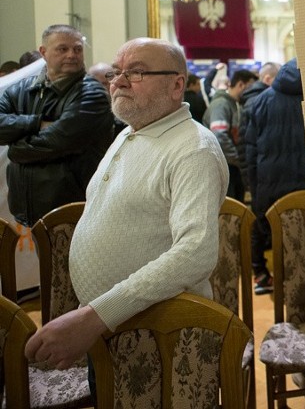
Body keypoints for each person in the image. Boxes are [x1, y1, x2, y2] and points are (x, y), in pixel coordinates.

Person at [24, 37, 228, 382]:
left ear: (177, 84)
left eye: (136, 73)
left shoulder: (193, 149)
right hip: (112, 326)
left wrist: (95, 316)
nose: (118, 81)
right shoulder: (129, 134)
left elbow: (196, 252)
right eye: (116, 73)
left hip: (156, 334)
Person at [0, 25, 113, 227]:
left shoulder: (92, 93)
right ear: (43, 52)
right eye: (63, 49)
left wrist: (14, 148)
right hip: (26, 210)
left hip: (74, 211)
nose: (72, 55)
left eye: (77, 49)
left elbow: (56, 140)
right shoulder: (21, 90)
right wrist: (36, 122)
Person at [243, 59, 305, 295]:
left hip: (272, 189)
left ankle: (283, 298)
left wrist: (256, 189)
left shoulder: (261, 101)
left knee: (281, 245)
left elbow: (250, 152)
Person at [203, 68, 257, 201]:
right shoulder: (221, 104)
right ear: (240, 85)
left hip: (231, 165)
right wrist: (238, 159)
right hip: (223, 166)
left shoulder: (235, 105)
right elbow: (219, 136)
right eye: (250, 87)